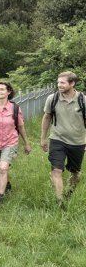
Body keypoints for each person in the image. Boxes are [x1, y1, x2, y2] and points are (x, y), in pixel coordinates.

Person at [40, 71, 86, 207]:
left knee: (75, 173)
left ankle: (70, 191)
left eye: (62, 82)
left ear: (72, 83)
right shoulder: (52, 99)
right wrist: (43, 138)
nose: (59, 85)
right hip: (57, 139)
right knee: (56, 170)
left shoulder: (83, 100)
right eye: (58, 82)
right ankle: (60, 201)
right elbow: (47, 117)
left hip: (78, 141)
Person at [0, 82, 32, 205]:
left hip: (11, 142)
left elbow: (20, 127)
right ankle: (7, 184)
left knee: (3, 168)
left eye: (2, 89)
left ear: (8, 92)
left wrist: (26, 143)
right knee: (2, 168)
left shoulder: (15, 108)